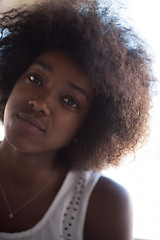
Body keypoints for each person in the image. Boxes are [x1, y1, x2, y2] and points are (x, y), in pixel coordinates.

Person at [0, 0, 153, 239]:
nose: (40, 103)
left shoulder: (102, 205)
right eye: (35, 79)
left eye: (70, 101)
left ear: (86, 128)